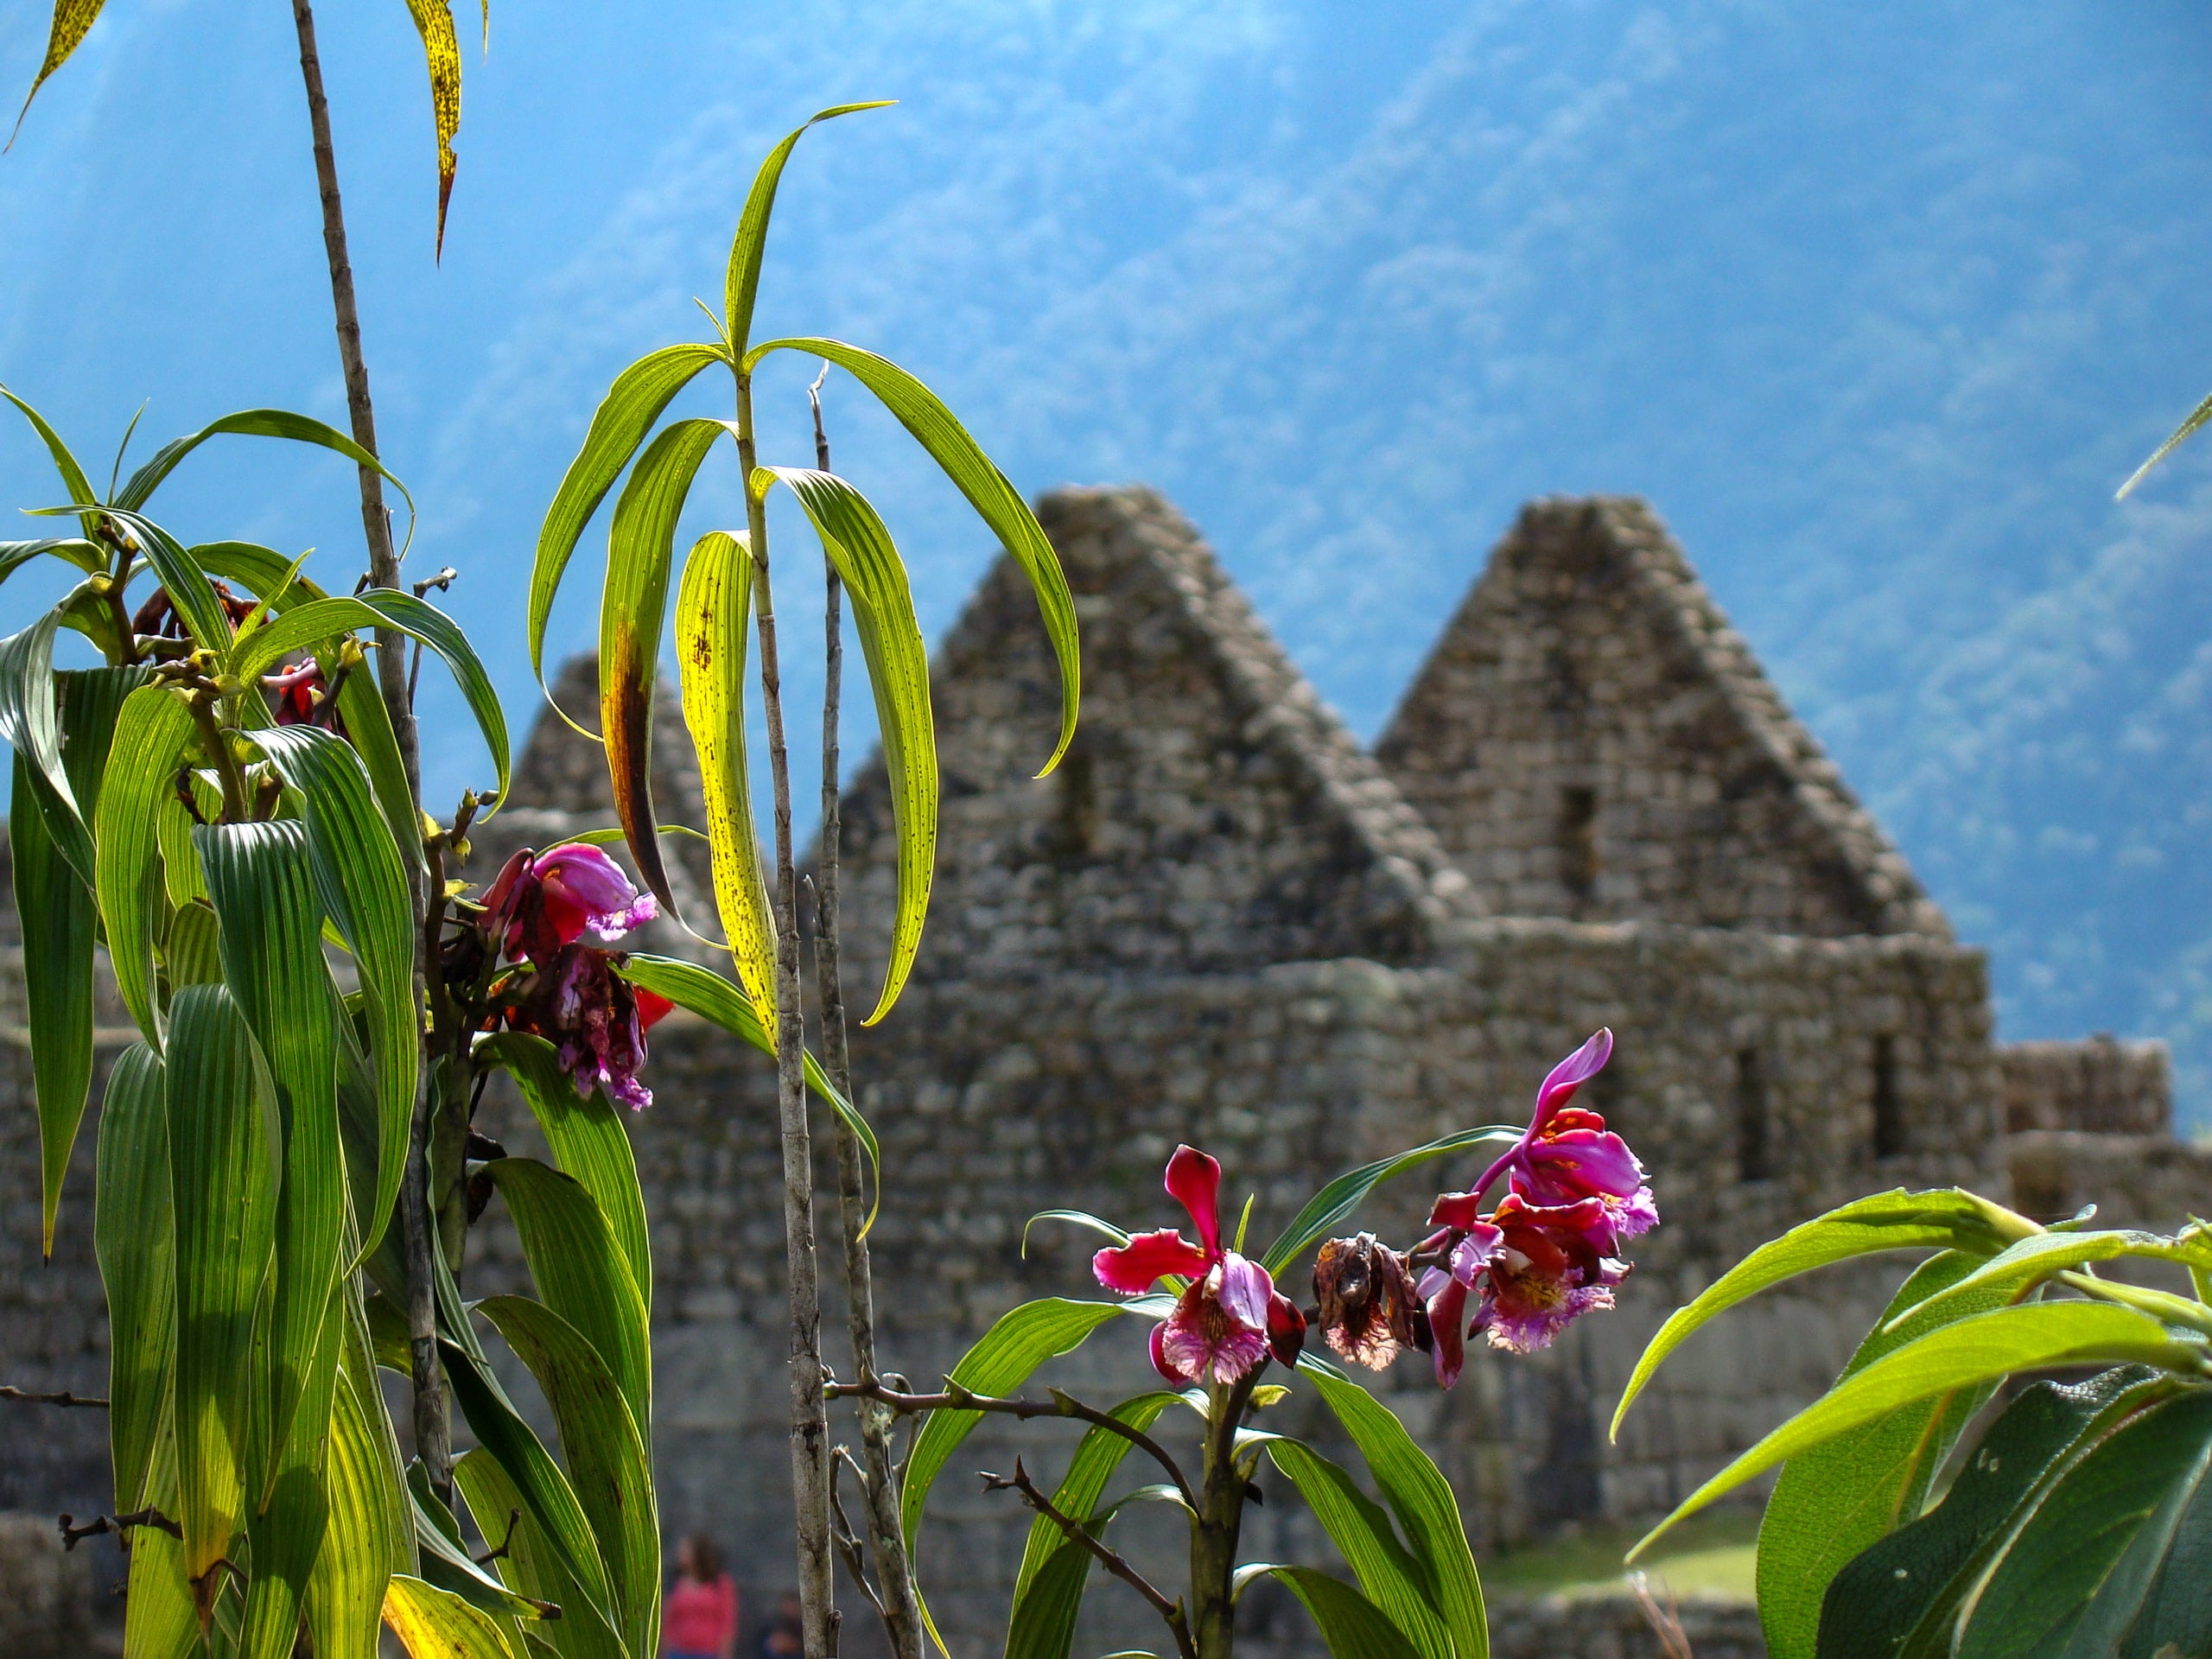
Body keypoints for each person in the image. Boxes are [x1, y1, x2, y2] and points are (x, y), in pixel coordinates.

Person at [662, 1534, 739, 1659]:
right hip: (678, 1652)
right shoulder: (676, 1583)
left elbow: (727, 1624)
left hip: (707, 1653)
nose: (680, 1554)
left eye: (685, 1550)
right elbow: (668, 1622)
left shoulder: (720, 1584)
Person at [758, 1592, 804, 1659]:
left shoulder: (803, 1626)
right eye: (786, 1605)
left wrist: (794, 1645)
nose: (789, 1609)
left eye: (792, 1606)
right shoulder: (773, 1624)